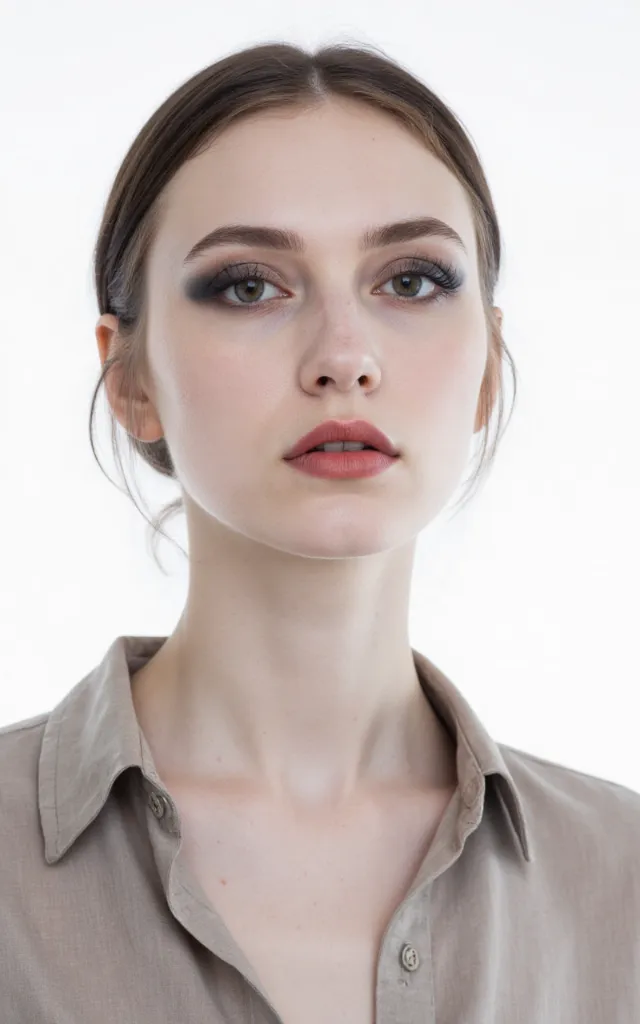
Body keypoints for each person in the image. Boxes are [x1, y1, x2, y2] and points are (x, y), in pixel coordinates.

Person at [2, 39, 639, 1024]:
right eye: (249, 285)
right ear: (129, 379)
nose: (344, 357)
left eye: (412, 280)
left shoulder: (621, 880)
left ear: (485, 365)